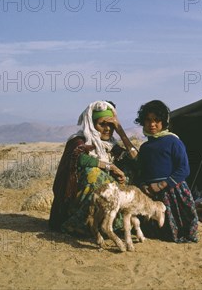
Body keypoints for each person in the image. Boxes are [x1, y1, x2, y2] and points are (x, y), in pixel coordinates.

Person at [49, 100, 138, 235]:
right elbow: (79, 158)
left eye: (111, 125)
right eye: (102, 124)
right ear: (91, 124)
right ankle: (79, 223)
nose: (108, 129)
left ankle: (111, 223)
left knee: (129, 171)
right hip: (75, 202)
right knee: (94, 174)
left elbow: (135, 158)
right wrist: (110, 166)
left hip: (105, 201)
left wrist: (121, 132)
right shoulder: (79, 141)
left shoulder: (110, 145)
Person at [135, 100, 199, 243]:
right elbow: (142, 171)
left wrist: (162, 185)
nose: (152, 124)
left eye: (157, 120)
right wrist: (144, 185)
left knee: (178, 228)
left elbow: (184, 169)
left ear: (164, 122)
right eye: (148, 120)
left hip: (172, 191)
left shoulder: (173, 141)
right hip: (151, 193)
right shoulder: (145, 148)